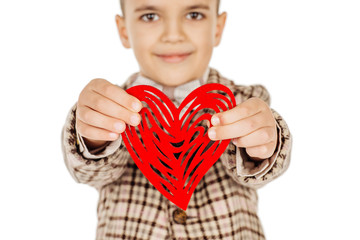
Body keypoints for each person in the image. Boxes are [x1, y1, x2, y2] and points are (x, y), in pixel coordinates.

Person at [61, 0, 292, 239]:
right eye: (150, 16)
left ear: (218, 28)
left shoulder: (242, 103)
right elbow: (90, 173)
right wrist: (94, 136)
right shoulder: (111, 108)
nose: (173, 35)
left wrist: (261, 146)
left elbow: (260, 172)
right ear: (124, 30)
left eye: (194, 14)